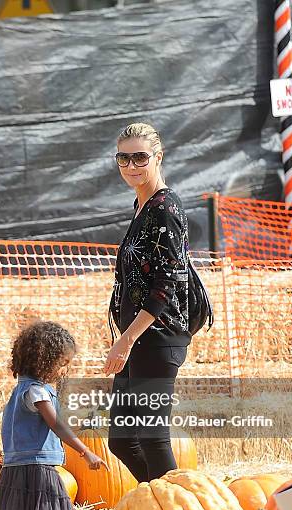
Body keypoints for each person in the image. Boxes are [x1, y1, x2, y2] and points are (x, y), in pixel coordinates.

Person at [0, 320, 109, 510]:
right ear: (45, 360)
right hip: (39, 466)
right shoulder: (38, 392)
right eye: (63, 363)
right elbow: (57, 425)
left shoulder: (19, 392)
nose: (65, 369)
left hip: (19, 466)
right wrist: (85, 451)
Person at [105, 122, 191, 482]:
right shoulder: (141, 205)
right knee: (122, 441)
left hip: (156, 339)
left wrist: (125, 340)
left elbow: (164, 287)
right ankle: (157, 504)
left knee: (154, 440)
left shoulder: (165, 209)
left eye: (139, 156)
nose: (131, 165)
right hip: (138, 339)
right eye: (123, 158)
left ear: (158, 156)